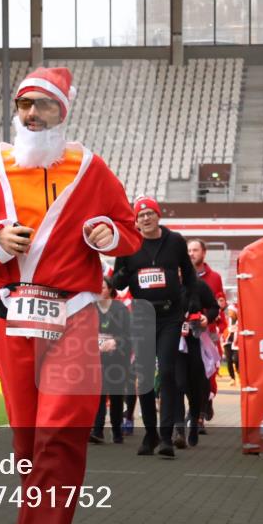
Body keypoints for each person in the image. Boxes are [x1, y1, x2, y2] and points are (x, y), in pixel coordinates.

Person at [0, 66, 141, 524]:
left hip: (73, 318)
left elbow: (127, 233)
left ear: (63, 112)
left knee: (61, 434)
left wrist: (106, 233)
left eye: (43, 106)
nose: (31, 115)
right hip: (11, 321)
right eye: (24, 105)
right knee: (30, 442)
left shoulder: (92, 169)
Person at [112, 196, 197, 459]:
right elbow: (117, 282)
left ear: (158, 215)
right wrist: (122, 276)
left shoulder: (175, 241)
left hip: (170, 316)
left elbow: (189, 275)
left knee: (168, 371)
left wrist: (187, 304)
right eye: (140, 215)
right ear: (135, 221)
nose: (145, 218)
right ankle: (150, 434)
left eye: (150, 213)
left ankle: (166, 436)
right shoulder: (129, 245)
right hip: (142, 316)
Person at [187, 239, 227, 421]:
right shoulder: (181, 276)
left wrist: (219, 307)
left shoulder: (215, 277)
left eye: (195, 250)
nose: (191, 254)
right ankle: (198, 408)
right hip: (186, 333)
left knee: (207, 371)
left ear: (204, 253)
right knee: (188, 373)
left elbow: (218, 303)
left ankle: (202, 409)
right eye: (188, 250)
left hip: (207, 332)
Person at [90, 275, 132, 445]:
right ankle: (97, 430)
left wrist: (115, 342)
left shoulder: (120, 309)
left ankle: (117, 431)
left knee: (116, 395)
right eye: (97, 287)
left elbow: (129, 333)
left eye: (103, 287)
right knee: (98, 395)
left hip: (117, 359)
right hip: (96, 359)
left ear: (110, 289)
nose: (100, 290)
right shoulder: (91, 309)